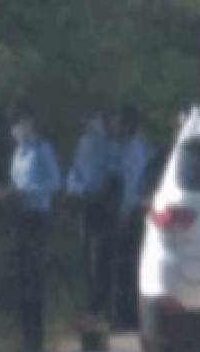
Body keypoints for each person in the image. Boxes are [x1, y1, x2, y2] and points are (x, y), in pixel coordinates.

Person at [0, 106, 61, 352]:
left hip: (37, 217)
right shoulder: (18, 153)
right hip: (19, 216)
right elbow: (15, 182)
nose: (16, 130)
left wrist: (26, 192)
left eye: (19, 123)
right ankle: (25, 339)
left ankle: (37, 339)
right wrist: (7, 192)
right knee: (21, 277)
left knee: (34, 276)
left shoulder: (42, 150)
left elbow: (54, 182)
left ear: (29, 123)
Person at [66, 111, 118, 324]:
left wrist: (101, 195)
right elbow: (76, 172)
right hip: (84, 204)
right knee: (87, 256)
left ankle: (102, 308)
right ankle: (91, 307)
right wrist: (74, 190)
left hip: (101, 205)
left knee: (99, 258)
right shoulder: (83, 144)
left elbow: (112, 175)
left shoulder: (107, 144)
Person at [112, 105, 157, 330]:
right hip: (131, 210)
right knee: (126, 265)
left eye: (119, 122)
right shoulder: (130, 146)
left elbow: (135, 184)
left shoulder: (136, 148)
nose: (115, 127)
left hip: (135, 212)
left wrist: (127, 212)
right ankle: (127, 314)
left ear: (128, 124)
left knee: (129, 265)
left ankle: (129, 316)